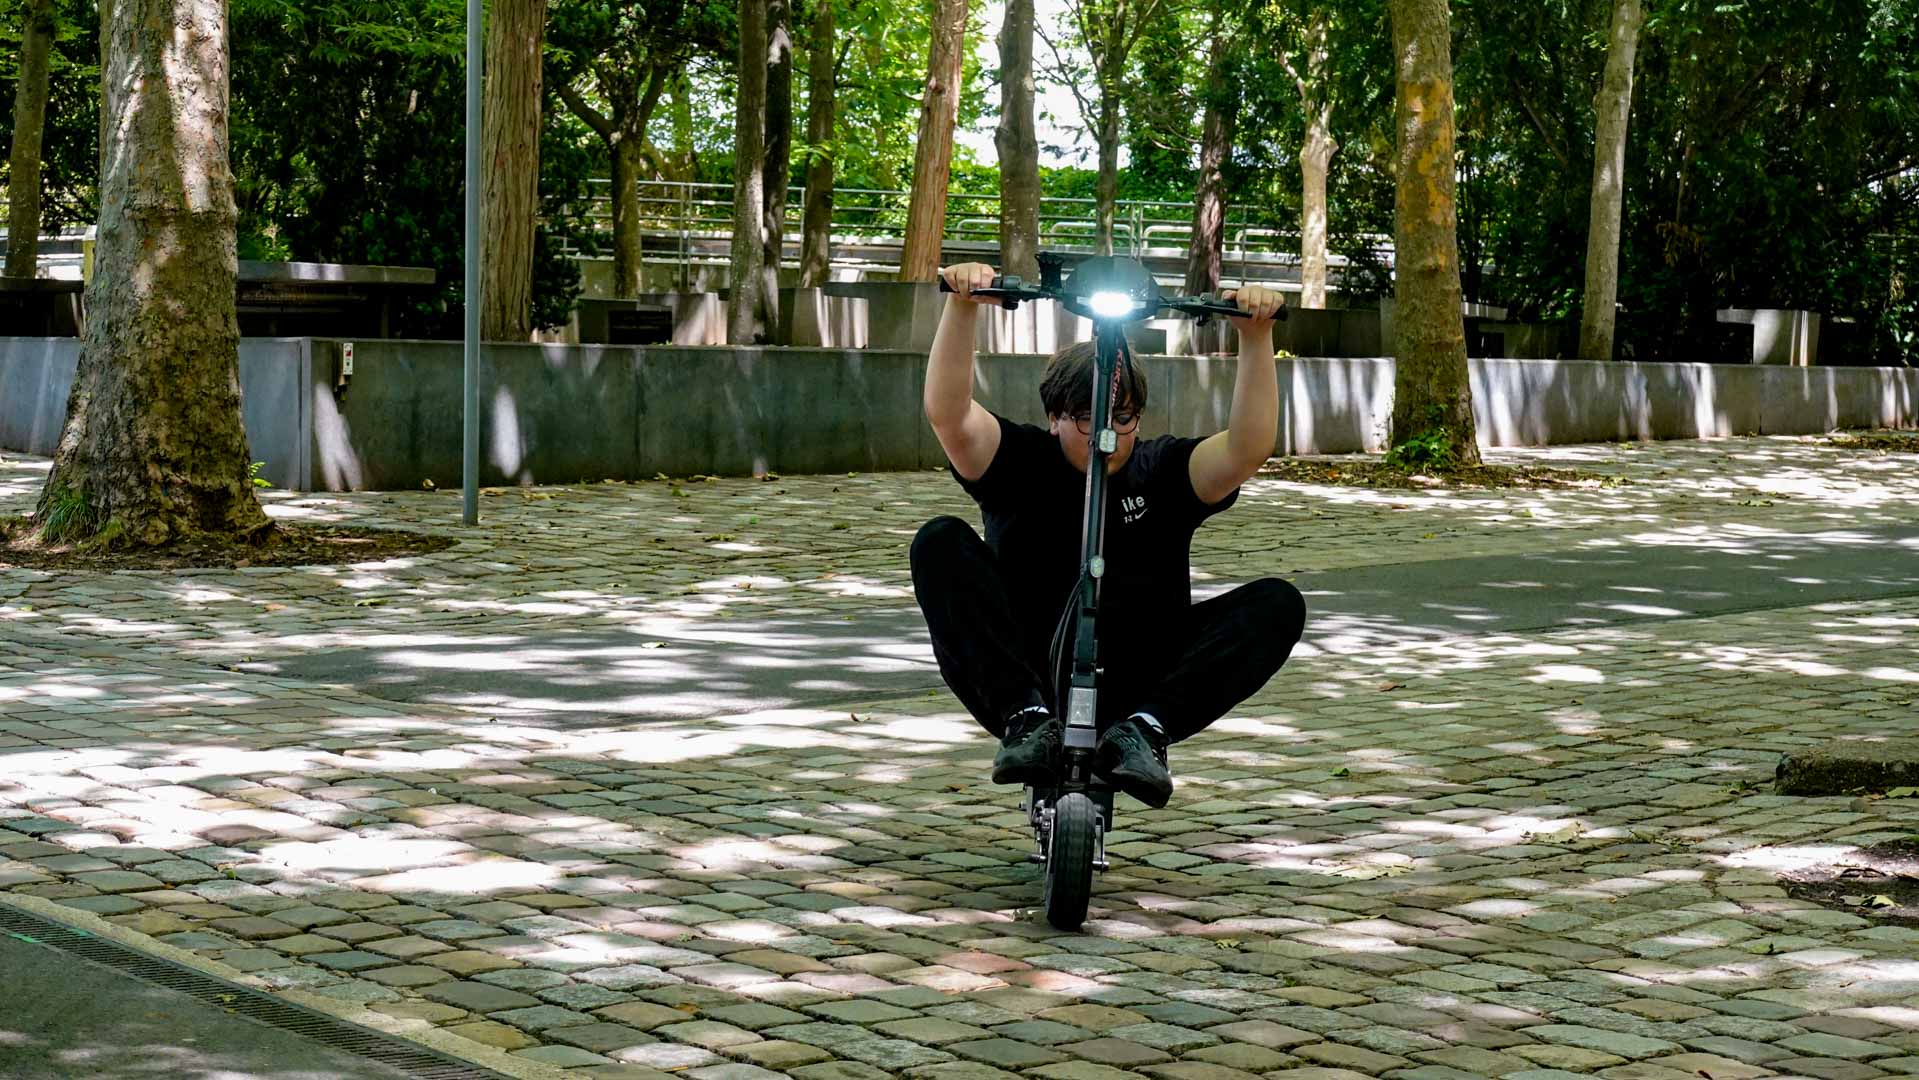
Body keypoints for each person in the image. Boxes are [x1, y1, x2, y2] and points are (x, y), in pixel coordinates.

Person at [910, 261, 1308, 809]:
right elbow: (949, 415)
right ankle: (1027, 721)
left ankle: (1145, 730)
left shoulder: (1161, 470)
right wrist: (963, 305)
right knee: (938, 541)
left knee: (1278, 603)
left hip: (1137, 672)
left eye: (1123, 418)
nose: (1106, 432)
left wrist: (1256, 336)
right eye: (1085, 416)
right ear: (1054, 417)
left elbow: (1247, 448)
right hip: (1030, 668)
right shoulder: (1021, 460)